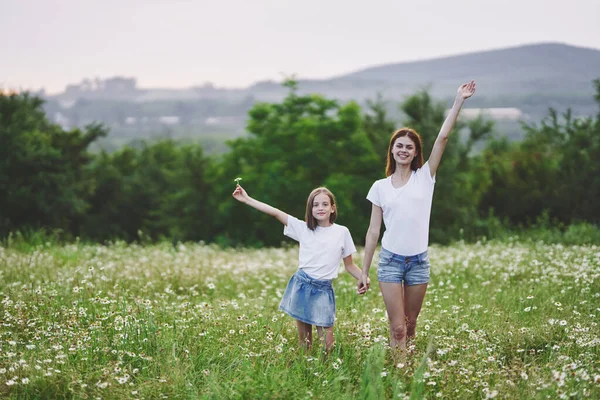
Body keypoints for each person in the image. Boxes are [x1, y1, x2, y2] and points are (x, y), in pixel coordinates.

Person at [359, 80, 476, 353]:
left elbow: (442, 138)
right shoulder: (380, 187)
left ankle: (406, 371)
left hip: (418, 262)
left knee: (410, 326)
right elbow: (373, 231)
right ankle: (399, 373)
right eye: (399, 145)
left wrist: (458, 100)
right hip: (389, 261)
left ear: (415, 153)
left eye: (409, 147)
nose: (403, 150)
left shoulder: (425, 177)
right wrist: (363, 270)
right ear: (392, 150)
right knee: (397, 327)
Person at [232, 184, 370, 352]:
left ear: (332, 208)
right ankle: (306, 370)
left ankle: (325, 371)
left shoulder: (342, 232)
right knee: (305, 341)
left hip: (323, 290)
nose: (320, 208)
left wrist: (363, 277)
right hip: (302, 285)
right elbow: (275, 212)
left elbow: (350, 265)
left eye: (325, 204)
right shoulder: (303, 228)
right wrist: (247, 199)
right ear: (310, 209)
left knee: (328, 344)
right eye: (315, 204)